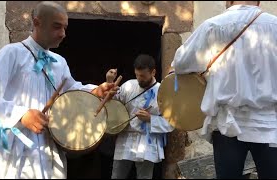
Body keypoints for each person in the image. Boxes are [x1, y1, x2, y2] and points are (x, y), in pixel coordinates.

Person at [0, 1, 118, 179]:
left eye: (64, 28)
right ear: (37, 22)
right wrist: (22, 115)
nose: (62, 34)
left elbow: (72, 92)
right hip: (17, 153)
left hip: (49, 150)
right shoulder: (11, 54)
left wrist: (96, 92)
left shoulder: (59, 62)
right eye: (57, 27)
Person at [172, 1, 277, 179]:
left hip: (227, 125)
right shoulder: (274, 26)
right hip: (269, 124)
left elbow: (181, 64)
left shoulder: (212, 26)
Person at [108, 54, 174, 179]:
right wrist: (110, 83)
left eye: (143, 76)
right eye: (137, 75)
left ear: (153, 72)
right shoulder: (129, 86)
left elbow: (171, 122)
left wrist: (150, 119)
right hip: (125, 138)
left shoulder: (163, 91)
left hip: (147, 141)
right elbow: (114, 104)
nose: (139, 79)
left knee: (144, 177)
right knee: (117, 175)